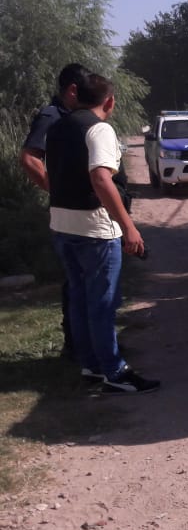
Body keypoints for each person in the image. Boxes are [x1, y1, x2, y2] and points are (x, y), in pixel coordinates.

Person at [45, 72, 160, 394]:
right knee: (102, 303)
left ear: (75, 95)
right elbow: (100, 178)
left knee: (81, 299)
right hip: (94, 229)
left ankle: (92, 365)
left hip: (61, 225)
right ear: (108, 102)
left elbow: (51, 173)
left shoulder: (57, 128)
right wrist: (128, 227)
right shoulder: (100, 129)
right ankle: (113, 370)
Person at [19, 63, 91, 359]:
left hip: (76, 213)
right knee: (76, 280)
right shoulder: (51, 116)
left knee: (83, 278)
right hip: (69, 214)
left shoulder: (67, 116)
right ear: (72, 90)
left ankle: (85, 342)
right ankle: (75, 344)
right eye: (85, 92)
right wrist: (58, 190)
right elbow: (29, 158)